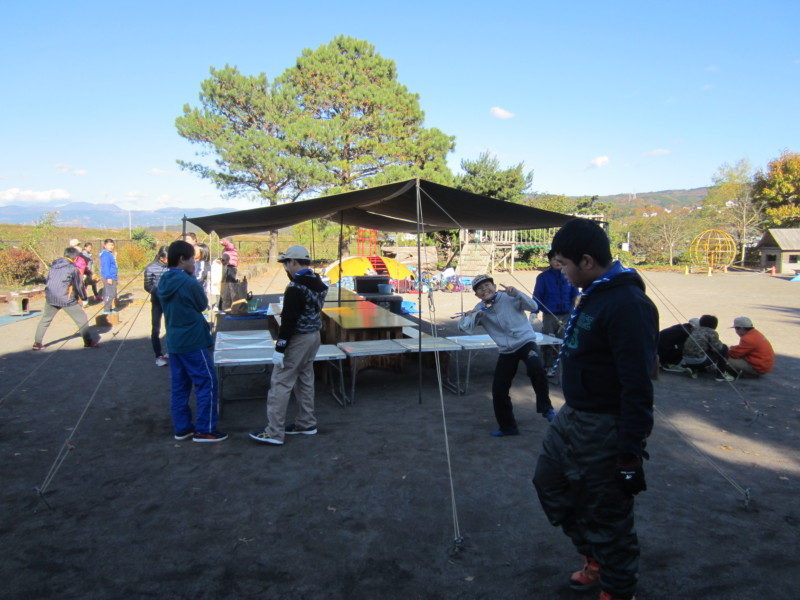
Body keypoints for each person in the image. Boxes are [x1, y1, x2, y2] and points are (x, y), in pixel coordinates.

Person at [532, 218, 658, 600]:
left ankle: (618, 588)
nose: (562, 273)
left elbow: (638, 384)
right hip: (573, 414)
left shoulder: (628, 304)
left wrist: (630, 449)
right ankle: (594, 556)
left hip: (606, 423)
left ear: (586, 261)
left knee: (606, 510)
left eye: (564, 265)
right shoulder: (594, 292)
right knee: (549, 483)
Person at [458, 274, 555, 436]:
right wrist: (469, 316)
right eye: (480, 289)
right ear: (476, 294)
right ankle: (508, 427)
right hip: (506, 350)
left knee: (536, 368)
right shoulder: (479, 308)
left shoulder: (510, 296)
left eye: (487, 286)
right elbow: (464, 328)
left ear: (495, 287)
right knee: (499, 389)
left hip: (525, 342)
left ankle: (546, 408)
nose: (484, 290)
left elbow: (533, 306)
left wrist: (517, 293)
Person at [249, 245, 328, 446]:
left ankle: (274, 432)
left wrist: (280, 348)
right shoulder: (318, 281)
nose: (285, 267)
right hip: (314, 336)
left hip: (299, 339)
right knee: (305, 379)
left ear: (293, 261)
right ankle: (306, 423)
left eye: (286, 263)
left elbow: (288, 321)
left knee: (281, 382)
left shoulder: (295, 287)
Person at [157, 240, 225, 442]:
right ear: (182, 259)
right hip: (193, 340)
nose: (194, 263)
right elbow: (202, 304)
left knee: (180, 386)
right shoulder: (189, 282)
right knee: (207, 382)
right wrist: (192, 278)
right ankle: (205, 429)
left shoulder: (163, 280)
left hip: (174, 340)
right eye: (192, 260)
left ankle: (182, 427)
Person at [33, 247, 100, 350]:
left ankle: (37, 343)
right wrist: (84, 298)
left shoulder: (54, 266)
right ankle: (88, 342)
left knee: (45, 319)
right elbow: (79, 285)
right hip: (66, 298)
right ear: (75, 258)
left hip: (50, 296)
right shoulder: (73, 268)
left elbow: (48, 280)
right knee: (81, 319)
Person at [532, 249, 580, 368]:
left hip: (567, 314)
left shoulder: (570, 275)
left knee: (565, 339)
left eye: (560, 260)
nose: (558, 262)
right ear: (549, 261)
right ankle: (548, 365)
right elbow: (537, 295)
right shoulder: (543, 277)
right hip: (550, 315)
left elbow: (575, 293)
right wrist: (534, 311)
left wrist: (578, 302)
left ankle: (564, 364)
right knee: (549, 340)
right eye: (554, 259)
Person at [681, 314, 732, 381]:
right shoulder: (712, 332)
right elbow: (718, 347)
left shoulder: (695, 330)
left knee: (700, 350)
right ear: (714, 325)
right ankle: (720, 375)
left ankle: (693, 369)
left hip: (686, 359)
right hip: (700, 361)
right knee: (724, 348)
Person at [144, 246, 169, 367]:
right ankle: (158, 355)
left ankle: (171, 351)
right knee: (156, 328)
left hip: (169, 301)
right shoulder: (150, 268)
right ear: (161, 258)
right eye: (168, 258)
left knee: (171, 326)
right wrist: (158, 292)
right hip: (157, 302)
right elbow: (147, 285)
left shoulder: (172, 267)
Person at [99, 238, 118, 314]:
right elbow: (106, 267)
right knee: (109, 294)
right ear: (105, 245)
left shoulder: (109, 254)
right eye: (109, 245)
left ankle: (109, 308)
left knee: (112, 293)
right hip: (109, 277)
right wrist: (108, 277)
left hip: (113, 276)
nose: (111, 247)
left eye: (112, 245)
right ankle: (106, 310)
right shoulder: (106, 254)